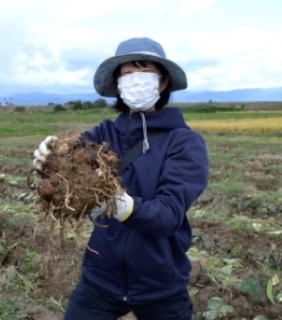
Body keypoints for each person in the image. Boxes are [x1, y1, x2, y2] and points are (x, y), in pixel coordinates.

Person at [33, 37, 209, 320]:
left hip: (160, 283)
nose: (135, 80)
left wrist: (121, 206)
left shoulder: (184, 143)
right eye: (127, 74)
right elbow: (64, 173)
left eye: (145, 73)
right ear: (117, 84)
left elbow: (168, 214)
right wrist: (49, 161)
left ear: (162, 83)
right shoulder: (102, 136)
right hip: (102, 277)